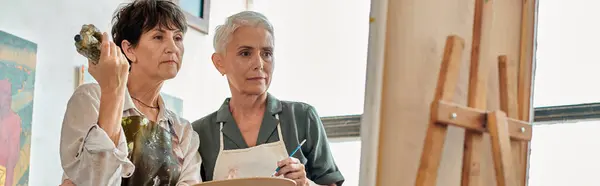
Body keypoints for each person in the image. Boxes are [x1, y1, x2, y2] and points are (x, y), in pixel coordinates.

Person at [192, 11, 345, 186]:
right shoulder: (199, 133)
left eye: (266, 53)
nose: (259, 64)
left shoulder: (302, 118)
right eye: (245, 53)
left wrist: (306, 183)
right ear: (219, 62)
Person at [59, 0, 201, 185]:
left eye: (178, 38)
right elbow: (95, 180)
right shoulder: (91, 99)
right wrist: (113, 91)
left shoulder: (183, 132)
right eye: (158, 37)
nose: (173, 48)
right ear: (129, 49)